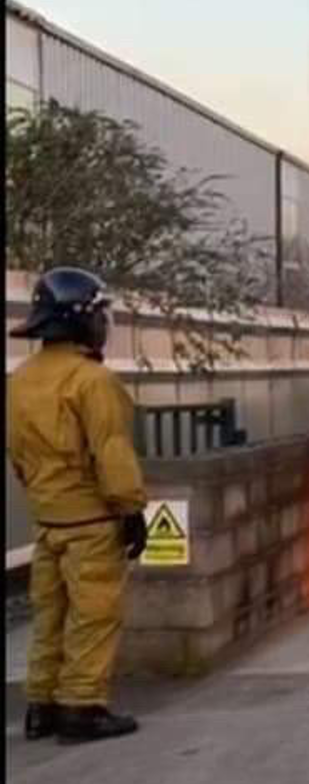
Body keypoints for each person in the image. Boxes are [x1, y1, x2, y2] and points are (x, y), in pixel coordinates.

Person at [6, 267, 145, 744]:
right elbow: (111, 451)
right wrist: (131, 510)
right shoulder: (92, 381)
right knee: (94, 615)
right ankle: (82, 708)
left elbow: (18, 457)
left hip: (48, 521)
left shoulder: (21, 380)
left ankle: (40, 707)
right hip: (92, 521)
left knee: (50, 616)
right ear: (82, 320)